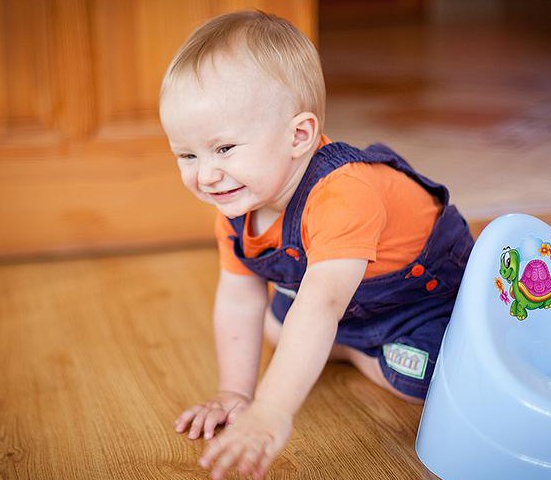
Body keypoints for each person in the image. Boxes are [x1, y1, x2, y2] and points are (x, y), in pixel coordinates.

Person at [158, 10, 474, 480]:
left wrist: (270, 411)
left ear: (299, 136)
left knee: (423, 382)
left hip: (419, 296)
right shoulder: (237, 202)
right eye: (187, 155)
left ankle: (357, 351)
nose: (205, 175)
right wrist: (236, 394)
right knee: (272, 329)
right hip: (338, 298)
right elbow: (238, 294)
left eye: (224, 149)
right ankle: (343, 344)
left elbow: (322, 303)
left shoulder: (343, 194)